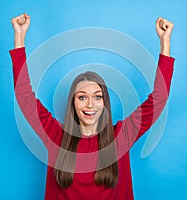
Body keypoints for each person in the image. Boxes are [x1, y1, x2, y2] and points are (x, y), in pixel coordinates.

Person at [10, 13, 175, 200]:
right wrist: (19, 37)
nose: (90, 104)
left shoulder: (122, 135)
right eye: (82, 97)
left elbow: (159, 98)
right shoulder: (55, 134)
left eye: (97, 97)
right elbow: (24, 96)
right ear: (72, 101)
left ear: (105, 102)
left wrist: (165, 42)